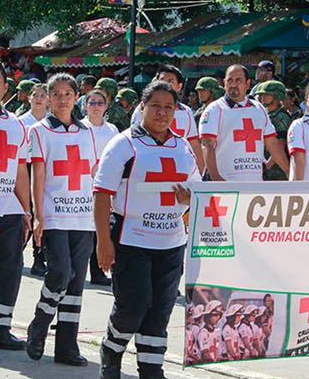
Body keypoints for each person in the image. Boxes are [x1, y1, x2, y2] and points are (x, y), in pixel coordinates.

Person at [94, 80, 201, 378]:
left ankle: (151, 368)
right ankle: (111, 350)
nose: (161, 113)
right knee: (134, 304)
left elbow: (199, 190)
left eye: (169, 107)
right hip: (131, 240)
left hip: (171, 243)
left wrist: (189, 197)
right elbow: (102, 193)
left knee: (160, 310)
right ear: (142, 107)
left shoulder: (181, 146)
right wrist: (103, 241)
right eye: (155, 105)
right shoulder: (124, 144)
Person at [26, 73, 97, 366]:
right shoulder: (40, 131)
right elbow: (38, 175)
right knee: (60, 273)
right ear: (49, 98)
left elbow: (93, 172)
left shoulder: (87, 131)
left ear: (76, 97)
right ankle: (40, 321)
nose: (63, 98)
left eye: (68, 93)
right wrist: (37, 215)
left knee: (77, 283)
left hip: (83, 217)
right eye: (56, 94)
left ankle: (67, 347)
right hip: (54, 214)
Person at [0, 60, 30, 351]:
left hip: (8, 207)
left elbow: (19, 169)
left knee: (8, 269)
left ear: (6, 87)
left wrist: (27, 209)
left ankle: (0, 327)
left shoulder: (16, 125)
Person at [199, 64, 289, 181]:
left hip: (254, 183)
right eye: (230, 80)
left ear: (247, 83)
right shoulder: (215, 109)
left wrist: (288, 171)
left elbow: (272, 143)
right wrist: (216, 177)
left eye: (238, 80)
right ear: (224, 83)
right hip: (226, 182)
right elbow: (207, 145)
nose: (233, 84)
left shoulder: (259, 109)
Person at [132, 65, 205, 173]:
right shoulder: (143, 109)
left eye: (170, 81)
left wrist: (200, 171)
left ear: (179, 86)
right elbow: (134, 139)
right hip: (148, 166)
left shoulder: (186, 111)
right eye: (162, 80)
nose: (165, 84)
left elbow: (193, 143)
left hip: (179, 165)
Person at [81, 89, 118, 286]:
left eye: (100, 102)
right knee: (82, 229)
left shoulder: (112, 130)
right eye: (92, 102)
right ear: (85, 105)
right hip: (80, 183)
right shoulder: (79, 128)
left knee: (100, 227)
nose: (96, 106)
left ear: (106, 106)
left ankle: (98, 272)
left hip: (103, 185)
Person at [18, 83, 49, 277]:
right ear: (29, 98)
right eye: (35, 95)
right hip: (24, 169)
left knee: (41, 213)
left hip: (45, 172)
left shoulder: (51, 123)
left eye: (43, 95)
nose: (38, 98)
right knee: (24, 213)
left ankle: (39, 259)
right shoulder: (21, 122)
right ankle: (14, 253)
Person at [255, 80, 292, 181]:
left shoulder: (281, 116)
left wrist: (267, 166)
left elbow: (280, 144)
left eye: (267, 95)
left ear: (277, 96)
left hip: (276, 170)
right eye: (261, 95)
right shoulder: (265, 113)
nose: (263, 98)